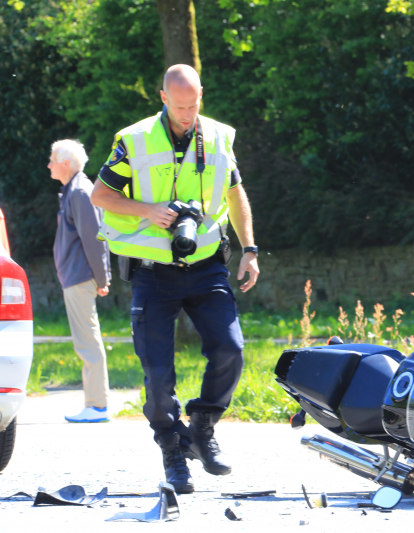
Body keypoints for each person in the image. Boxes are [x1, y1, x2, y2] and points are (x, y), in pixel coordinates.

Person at [91, 64, 260, 494]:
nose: (187, 115)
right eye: (180, 106)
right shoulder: (135, 139)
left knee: (231, 349)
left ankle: (202, 427)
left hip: (206, 265)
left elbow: (234, 192)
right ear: (163, 98)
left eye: (194, 105)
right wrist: (149, 210)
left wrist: (250, 249)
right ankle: (172, 451)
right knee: (158, 379)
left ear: (201, 95)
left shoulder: (218, 136)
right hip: (153, 274)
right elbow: (101, 195)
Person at [49, 139, 112, 423]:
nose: (49, 165)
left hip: (80, 277)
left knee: (87, 342)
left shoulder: (80, 191)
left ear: (65, 163)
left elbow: (95, 238)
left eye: (52, 160)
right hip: (75, 277)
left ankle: (97, 406)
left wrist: (102, 277)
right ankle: (95, 404)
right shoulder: (73, 190)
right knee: (85, 341)